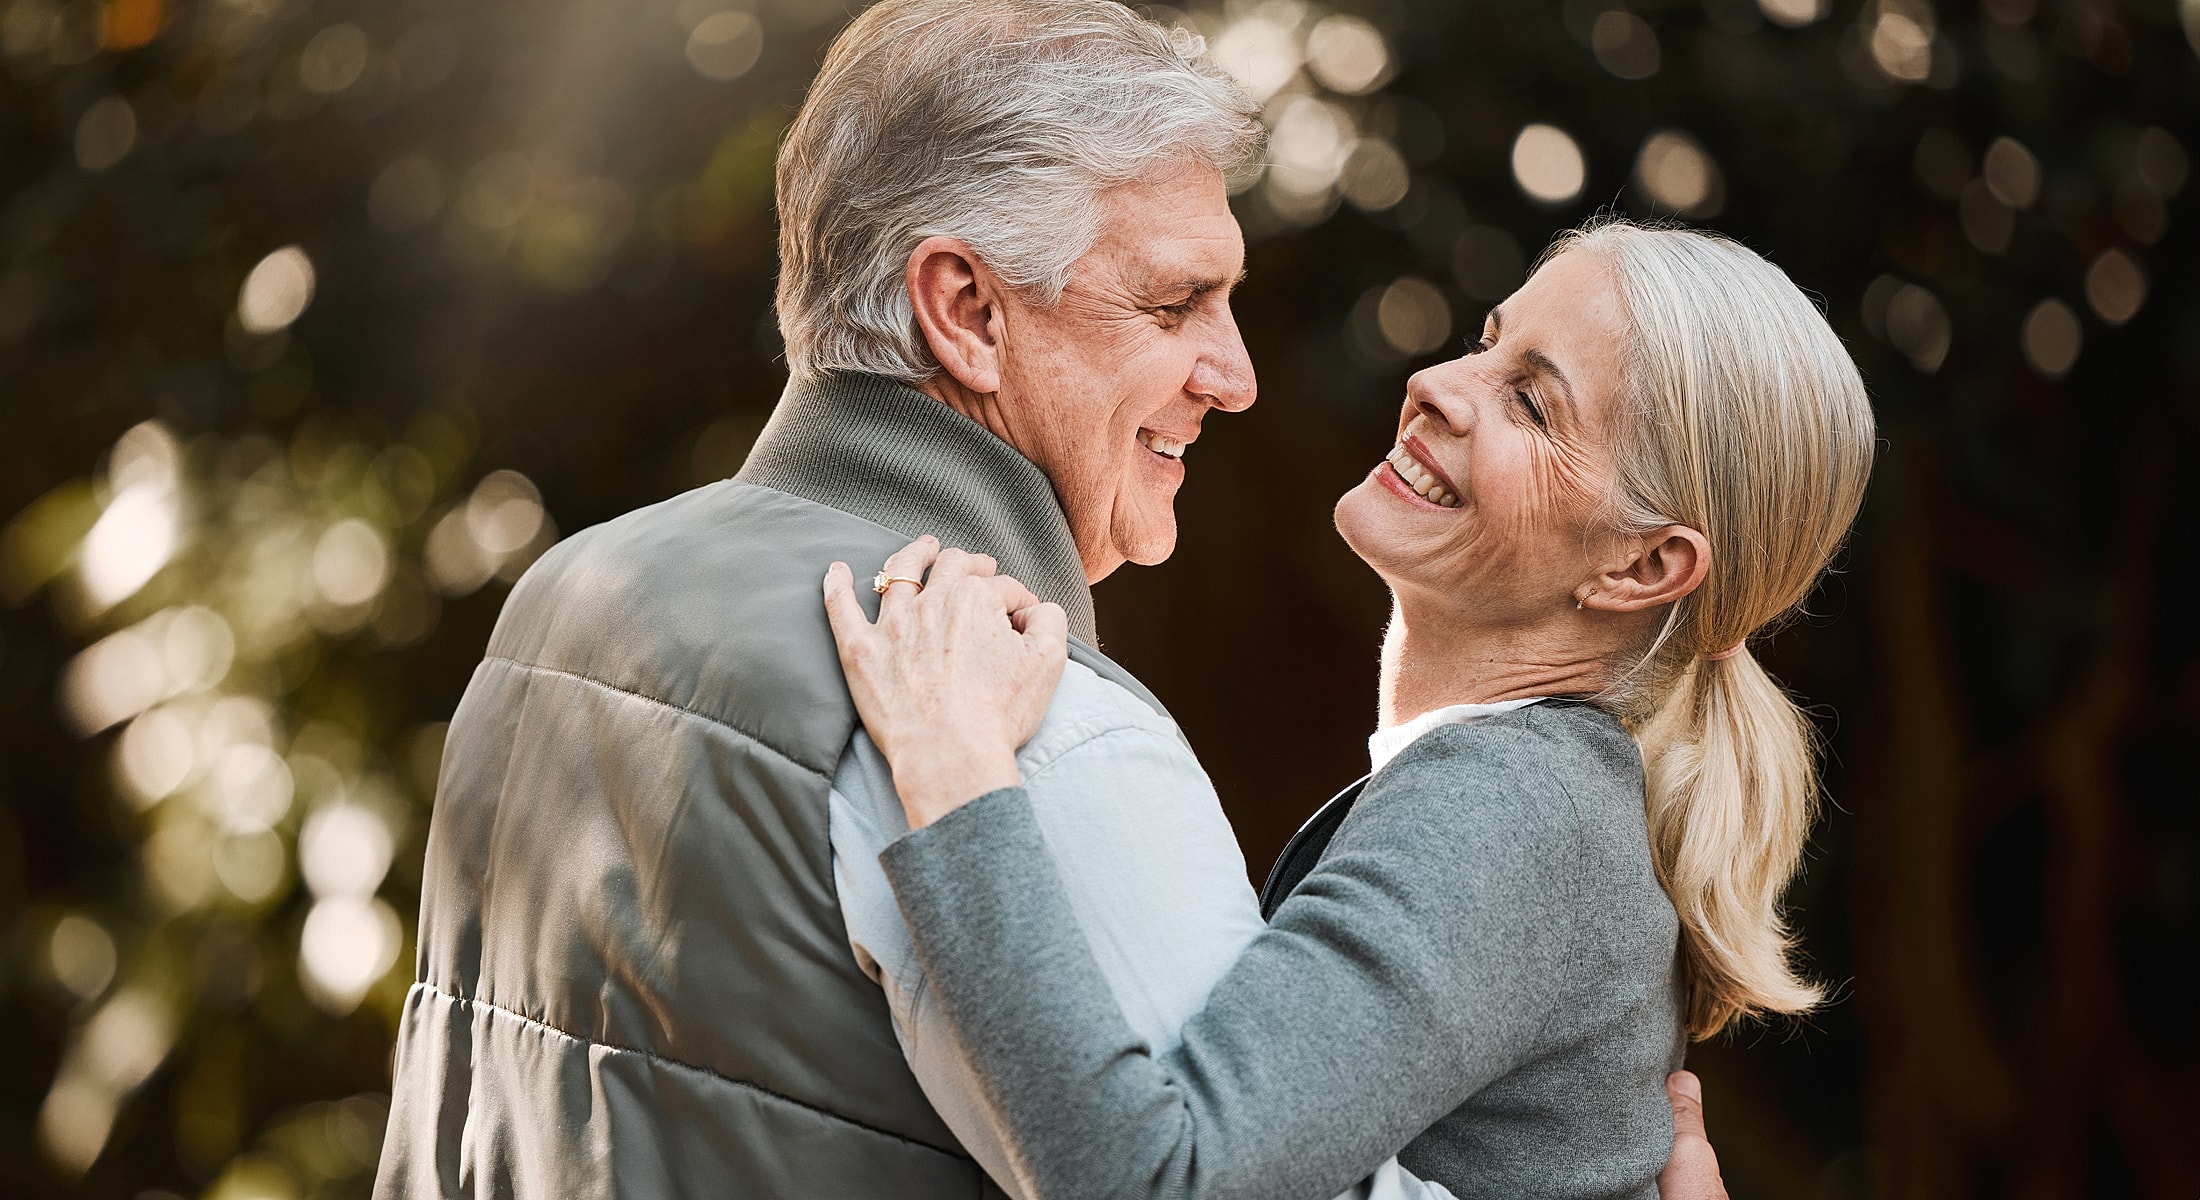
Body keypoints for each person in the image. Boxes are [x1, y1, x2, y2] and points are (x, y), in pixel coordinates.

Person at [374, 1, 1732, 1196]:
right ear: (966, 311)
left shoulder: (565, 602)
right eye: (1175, 305)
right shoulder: (1031, 726)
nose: (1236, 377)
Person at [822, 219, 1875, 1199]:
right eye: (1487, 344)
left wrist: (956, 773)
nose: (1437, 384)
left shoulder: (1510, 810)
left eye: (1532, 403)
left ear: (1642, 566)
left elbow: (1162, 1181)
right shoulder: (1530, 794)